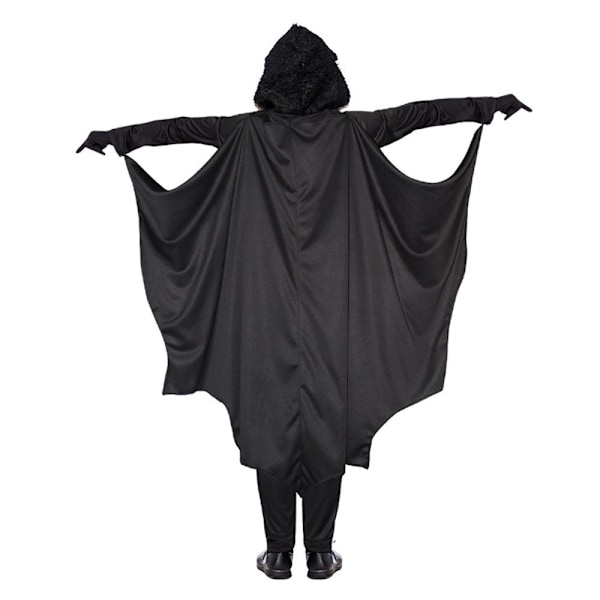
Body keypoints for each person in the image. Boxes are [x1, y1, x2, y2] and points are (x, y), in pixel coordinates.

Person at [77, 24, 531, 580]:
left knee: (270, 417)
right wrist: (483, 106)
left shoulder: (243, 132)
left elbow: (178, 128)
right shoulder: (354, 131)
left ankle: (277, 553)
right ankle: (319, 551)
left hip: (261, 304)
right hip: (335, 305)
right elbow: (419, 115)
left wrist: (119, 137)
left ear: (269, 81)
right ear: (330, 80)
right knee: (326, 417)